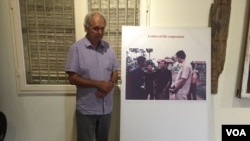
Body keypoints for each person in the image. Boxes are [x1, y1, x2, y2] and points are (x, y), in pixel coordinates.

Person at [65, 11, 119, 141]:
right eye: (96, 28)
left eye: (102, 28)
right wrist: (98, 84)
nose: (99, 32)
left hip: (106, 108)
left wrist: (110, 84)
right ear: (86, 28)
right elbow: (72, 78)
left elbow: (115, 72)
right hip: (87, 109)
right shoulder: (76, 49)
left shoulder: (109, 48)